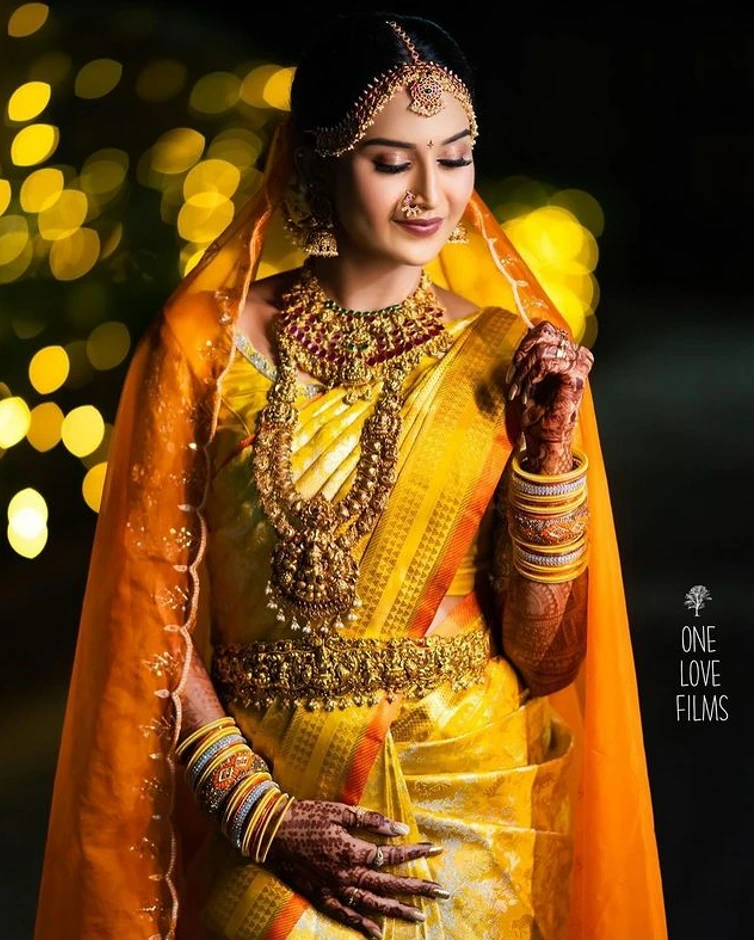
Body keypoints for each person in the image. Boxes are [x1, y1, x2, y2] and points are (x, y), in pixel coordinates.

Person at [33, 12, 667, 940]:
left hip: (468, 816)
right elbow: (150, 611)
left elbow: (548, 659)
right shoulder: (205, 348)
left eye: (454, 158)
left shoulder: (506, 356)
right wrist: (257, 811)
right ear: (317, 160)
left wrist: (547, 461)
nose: (430, 194)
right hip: (266, 802)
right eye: (391, 160)